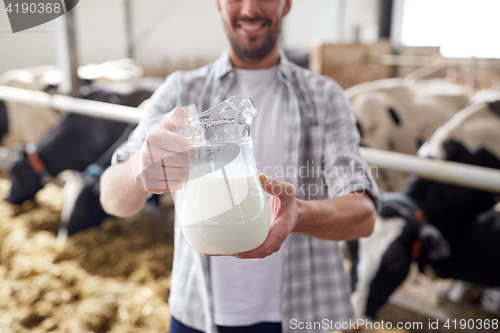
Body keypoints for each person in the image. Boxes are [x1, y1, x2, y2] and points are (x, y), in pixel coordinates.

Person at [100, 0, 380, 332]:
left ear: (286, 4)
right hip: (198, 316)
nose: (249, 9)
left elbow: (364, 215)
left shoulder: (325, 97)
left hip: (309, 314)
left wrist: (299, 215)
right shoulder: (181, 91)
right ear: (218, 4)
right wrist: (140, 166)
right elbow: (110, 197)